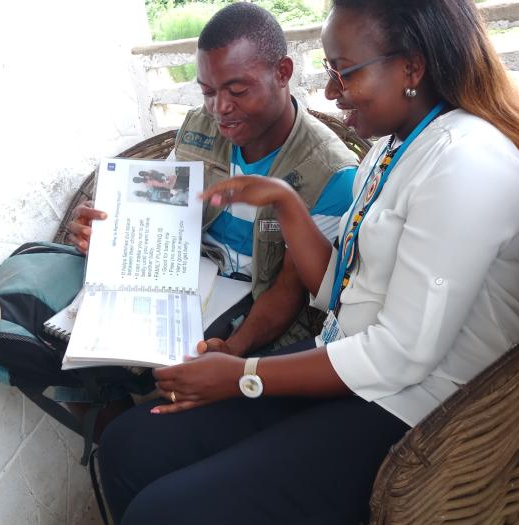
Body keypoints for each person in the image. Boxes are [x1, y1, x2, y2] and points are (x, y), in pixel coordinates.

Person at [95, 0, 519, 523]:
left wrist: (244, 375)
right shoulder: (392, 148)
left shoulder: (466, 163)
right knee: (131, 445)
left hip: (422, 410)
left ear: (412, 66)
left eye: (344, 72)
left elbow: (402, 354)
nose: (331, 91)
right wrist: (286, 204)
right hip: (356, 366)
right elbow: (342, 292)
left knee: (164, 511)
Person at [60, 2, 360, 432]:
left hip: (251, 309)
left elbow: (286, 292)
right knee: (56, 328)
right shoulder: (201, 126)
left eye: (237, 90)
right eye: (206, 91)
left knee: (157, 416)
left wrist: (233, 352)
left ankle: (130, 430)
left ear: (283, 72)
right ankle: (115, 415)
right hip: (178, 282)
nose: (219, 108)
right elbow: (157, 207)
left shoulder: (329, 174)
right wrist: (107, 230)